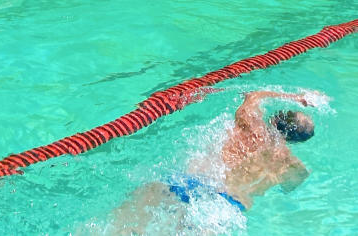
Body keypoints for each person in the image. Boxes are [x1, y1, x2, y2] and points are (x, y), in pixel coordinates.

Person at [108, 90, 318, 228]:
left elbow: (254, 95)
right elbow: (293, 183)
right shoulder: (290, 163)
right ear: (296, 141)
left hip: (194, 182)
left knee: (127, 220)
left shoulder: (251, 124)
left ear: (276, 118)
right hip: (226, 204)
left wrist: (295, 96)